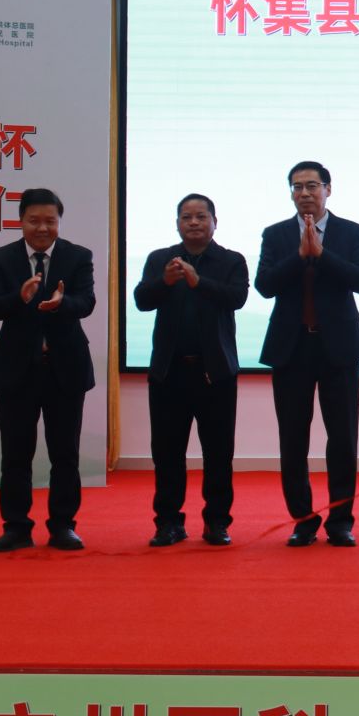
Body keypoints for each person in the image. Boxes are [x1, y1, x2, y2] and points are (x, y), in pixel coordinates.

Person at [256, 161, 359, 547]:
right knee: (293, 440)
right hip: (292, 349)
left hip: (339, 348)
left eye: (311, 185)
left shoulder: (351, 232)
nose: (304, 193)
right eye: (297, 187)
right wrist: (299, 256)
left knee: (343, 439)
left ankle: (340, 522)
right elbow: (264, 285)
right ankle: (303, 521)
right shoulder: (275, 234)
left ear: (328, 189)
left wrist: (321, 254)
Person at [0, 188, 95, 552]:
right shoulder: (1, 258)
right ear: (21, 221)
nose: (42, 228)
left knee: (65, 454)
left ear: (59, 221)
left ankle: (63, 526)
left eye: (50, 220)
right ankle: (16, 527)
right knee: (16, 455)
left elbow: (86, 302)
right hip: (17, 371)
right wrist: (20, 297)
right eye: (34, 220)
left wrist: (62, 302)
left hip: (65, 370)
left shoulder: (78, 256)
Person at [133, 193, 249, 547]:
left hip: (215, 373)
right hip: (169, 373)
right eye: (187, 217)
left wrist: (199, 282)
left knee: (218, 453)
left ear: (215, 222)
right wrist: (165, 282)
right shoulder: (160, 260)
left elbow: (237, 298)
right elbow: (141, 300)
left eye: (201, 216)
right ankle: (169, 523)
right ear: (177, 224)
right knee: (167, 454)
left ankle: (217, 522)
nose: (194, 222)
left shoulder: (231, 260)